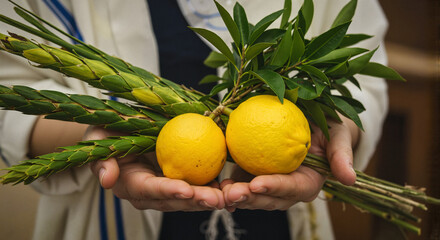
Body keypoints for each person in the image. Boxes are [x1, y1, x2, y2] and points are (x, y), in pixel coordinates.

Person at [0, 0, 389, 239]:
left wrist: (338, 123)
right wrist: (97, 134)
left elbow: (362, 66)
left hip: (280, 201)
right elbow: (10, 95)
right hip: (112, 212)